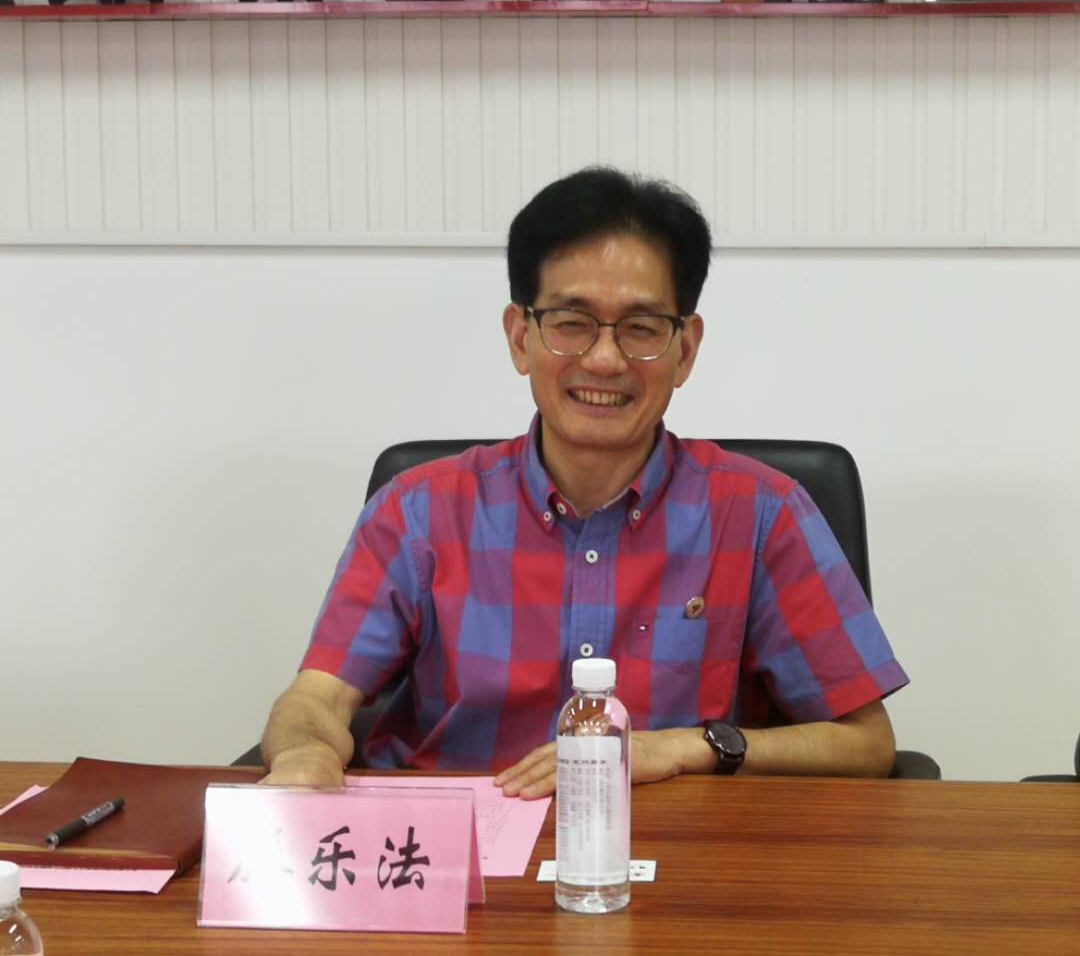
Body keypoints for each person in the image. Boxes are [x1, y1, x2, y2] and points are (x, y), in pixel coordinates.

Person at [259, 167, 909, 797]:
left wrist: (687, 747)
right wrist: (304, 754)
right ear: (520, 337)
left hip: (678, 851)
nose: (603, 359)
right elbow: (316, 699)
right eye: (571, 322)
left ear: (685, 350)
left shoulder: (764, 514)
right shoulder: (417, 512)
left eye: (641, 328)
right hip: (456, 849)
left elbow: (865, 744)